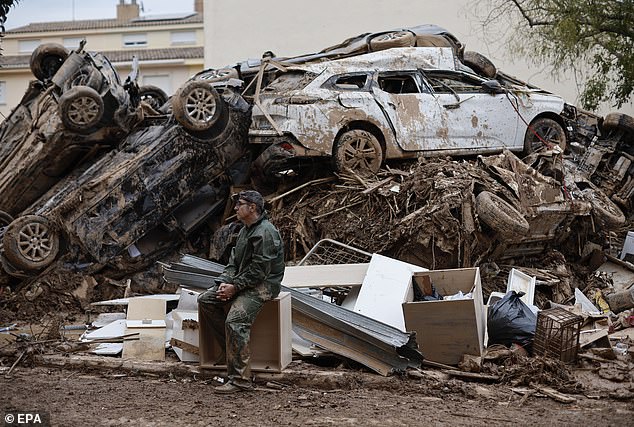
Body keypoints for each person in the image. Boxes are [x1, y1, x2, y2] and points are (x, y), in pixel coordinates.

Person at [198, 190, 285, 394]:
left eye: (240, 204)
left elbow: (260, 272)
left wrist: (234, 287)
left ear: (252, 208)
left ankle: (240, 380)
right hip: (244, 281)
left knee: (235, 321)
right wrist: (224, 282)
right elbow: (233, 262)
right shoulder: (245, 229)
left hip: (263, 285)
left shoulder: (265, 233)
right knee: (206, 300)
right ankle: (231, 353)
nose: (235, 208)